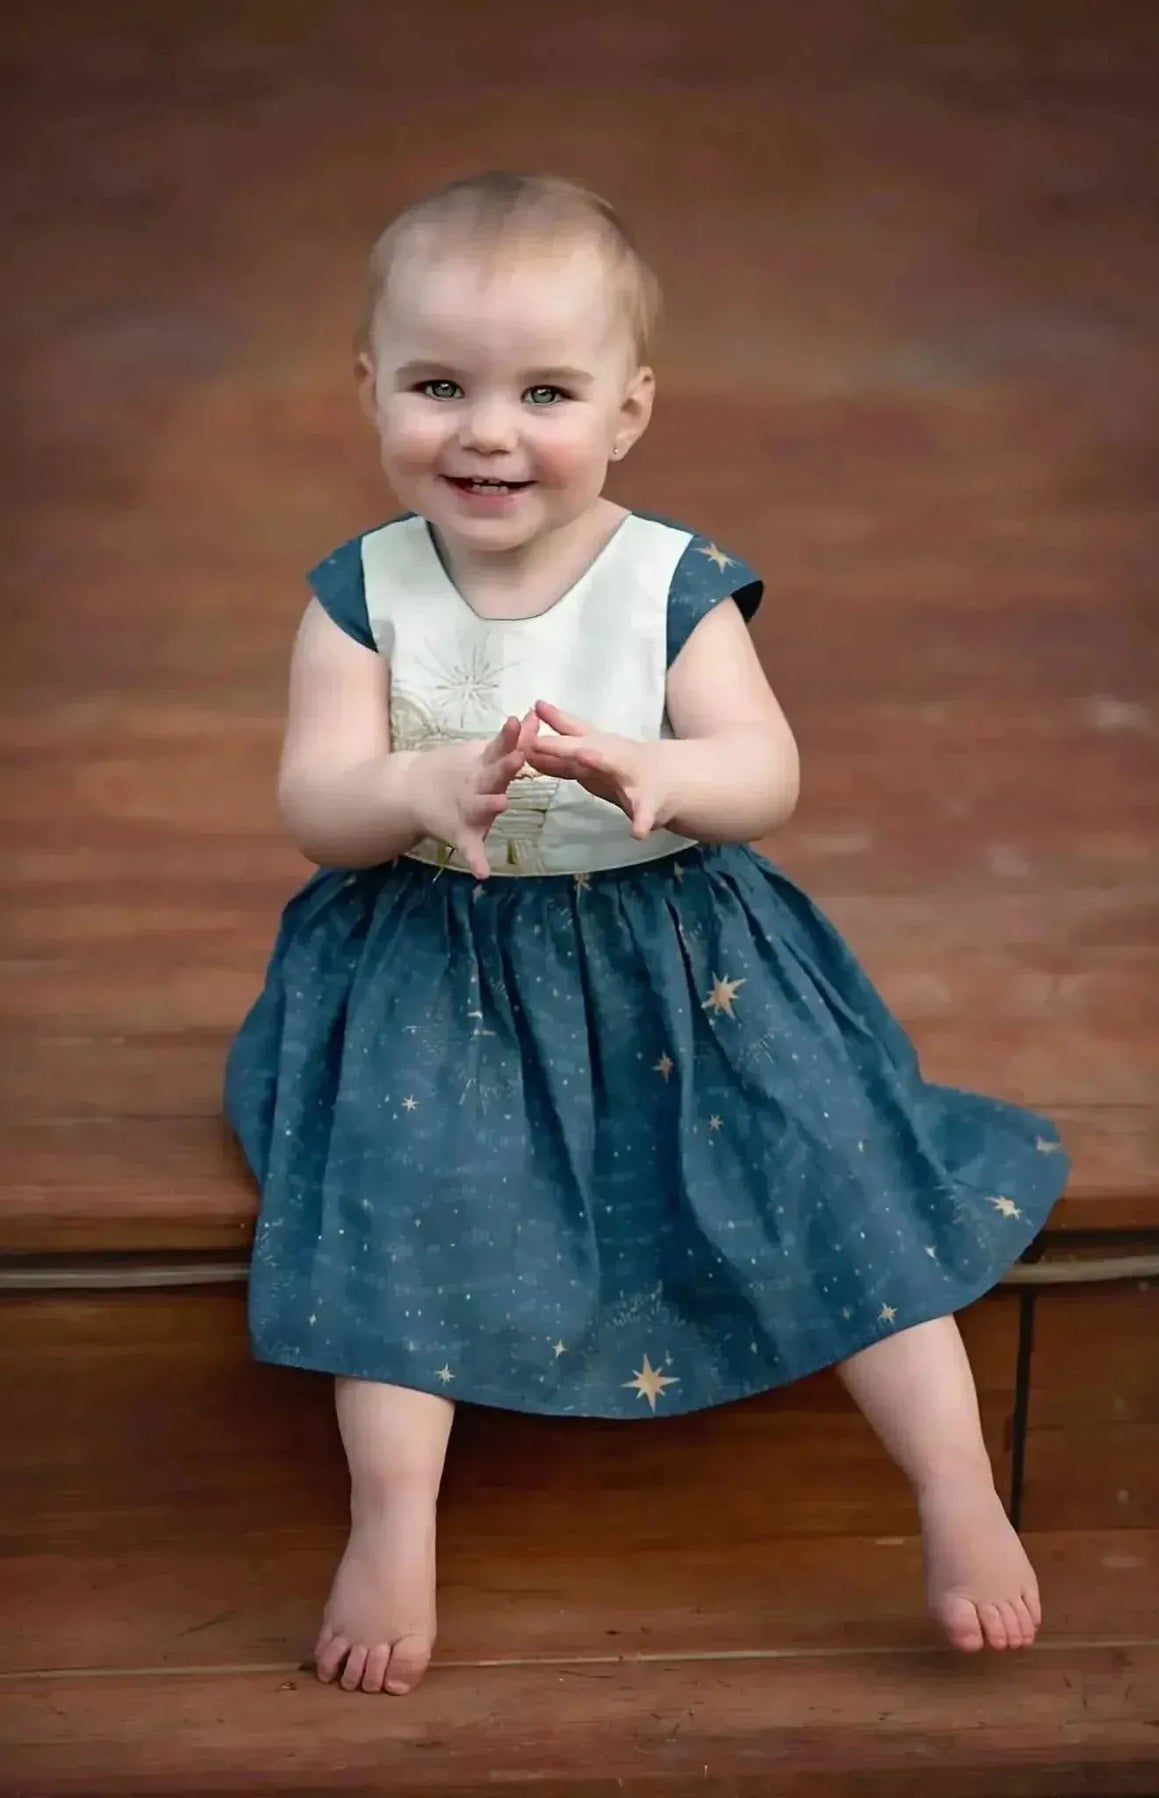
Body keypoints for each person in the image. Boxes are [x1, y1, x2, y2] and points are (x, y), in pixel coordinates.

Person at [225, 171, 1070, 1698]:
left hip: (685, 955)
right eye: (438, 386)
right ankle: (393, 1516)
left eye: (545, 391)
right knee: (397, 1201)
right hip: (444, 964)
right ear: (370, 390)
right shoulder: (363, 595)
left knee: (836, 1166)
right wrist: (410, 782)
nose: (488, 430)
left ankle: (955, 1485)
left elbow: (769, 770)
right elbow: (314, 801)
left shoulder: (671, 583)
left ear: (630, 408)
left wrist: (667, 771)